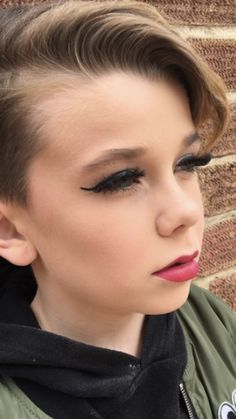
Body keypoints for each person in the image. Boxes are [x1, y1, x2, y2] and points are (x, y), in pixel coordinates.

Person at [0, 1, 235, 418]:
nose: (185, 212)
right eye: (121, 179)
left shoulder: (210, 321)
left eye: (187, 164)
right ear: (10, 228)